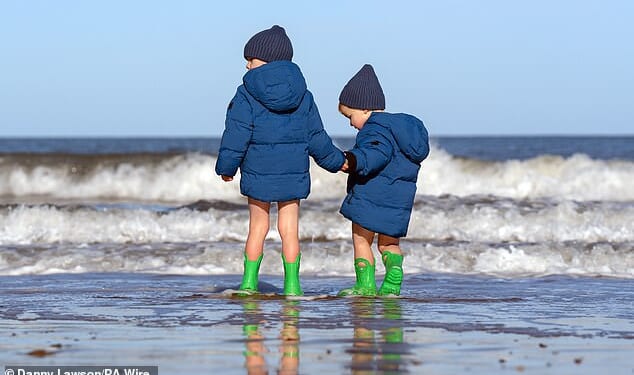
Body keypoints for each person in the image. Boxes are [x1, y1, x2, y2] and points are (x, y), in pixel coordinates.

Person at [215, 25, 345, 296]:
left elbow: (237, 133)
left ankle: (249, 283)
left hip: (258, 170)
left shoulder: (245, 93)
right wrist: (337, 162)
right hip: (293, 171)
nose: (248, 66)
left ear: (266, 60)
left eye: (251, 60)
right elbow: (316, 136)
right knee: (289, 229)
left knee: (258, 227)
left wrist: (227, 167)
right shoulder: (303, 95)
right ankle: (293, 286)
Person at [337, 64, 429, 297]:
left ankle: (365, 286)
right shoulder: (401, 132)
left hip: (371, 196)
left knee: (361, 240)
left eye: (350, 116)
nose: (350, 123)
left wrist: (353, 160)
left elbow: (376, 154)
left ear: (365, 109)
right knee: (389, 244)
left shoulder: (375, 130)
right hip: (398, 201)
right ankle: (393, 277)